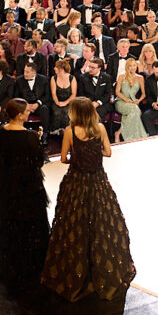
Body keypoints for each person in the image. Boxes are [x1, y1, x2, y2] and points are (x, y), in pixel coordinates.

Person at [40, 98, 136, 302]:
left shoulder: (70, 131)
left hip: (76, 182)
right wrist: (95, 153)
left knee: (74, 222)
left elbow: (64, 158)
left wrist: (79, 156)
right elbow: (108, 152)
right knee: (102, 221)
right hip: (97, 181)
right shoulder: (100, 128)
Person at [0, 98, 50, 287]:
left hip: (9, 187)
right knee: (31, 225)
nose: (28, 114)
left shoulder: (2, 132)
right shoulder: (30, 137)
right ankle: (32, 265)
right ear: (19, 115)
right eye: (26, 112)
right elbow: (39, 161)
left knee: (9, 224)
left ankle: (10, 265)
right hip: (29, 188)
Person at [113, 57, 146, 143]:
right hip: (121, 101)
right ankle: (137, 137)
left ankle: (118, 133)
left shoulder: (140, 78)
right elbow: (117, 92)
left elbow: (143, 94)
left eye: (134, 65)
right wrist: (126, 100)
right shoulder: (121, 76)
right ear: (127, 67)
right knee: (135, 110)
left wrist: (139, 100)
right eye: (130, 66)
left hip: (134, 102)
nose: (132, 67)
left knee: (135, 110)